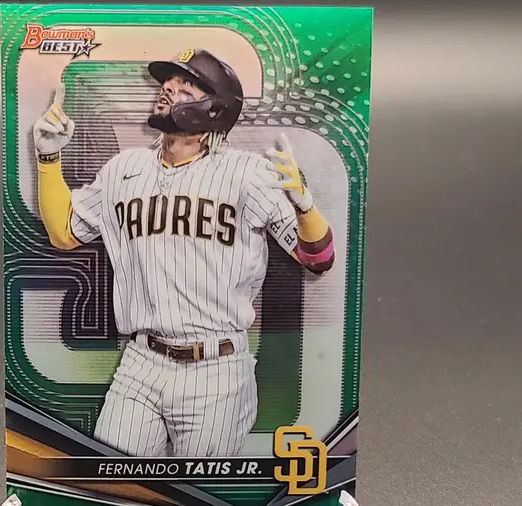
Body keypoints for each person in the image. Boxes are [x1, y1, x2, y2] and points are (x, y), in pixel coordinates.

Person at [32, 48, 335, 457]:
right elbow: (64, 233)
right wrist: (48, 158)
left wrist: (305, 207)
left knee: (196, 492)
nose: (167, 89)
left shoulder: (248, 174)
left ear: (214, 109)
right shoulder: (123, 169)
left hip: (216, 371)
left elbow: (317, 259)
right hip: (141, 363)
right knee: (108, 483)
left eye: (185, 85)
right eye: (168, 82)